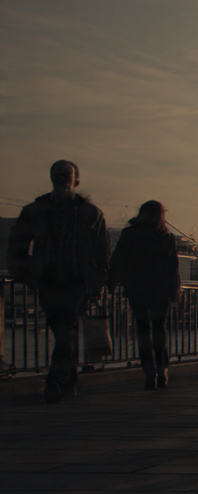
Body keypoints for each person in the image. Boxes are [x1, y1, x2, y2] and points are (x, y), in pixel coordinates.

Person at [6, 160, 109, 403]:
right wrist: (26, 271)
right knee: (64, 329)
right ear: (52, 178)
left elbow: (102, 251)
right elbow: (17, 244)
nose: (62, 178)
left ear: (76, 180)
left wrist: (97, 281)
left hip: (76, 280)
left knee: (65, 329)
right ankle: (70, 381)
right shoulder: (35, 210)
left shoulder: (91, 212)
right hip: (48, 279)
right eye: (57, 174)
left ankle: (54, 380)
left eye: (66, 174)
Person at [107, 200, 181, 389]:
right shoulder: (166, 237)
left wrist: (110, 283)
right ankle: (162, 370)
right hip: (160, 290)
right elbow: (173, 267)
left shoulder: (129, 234)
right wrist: (174, 290)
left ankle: (149, 371)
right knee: (159, 330)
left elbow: (117, 260)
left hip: (137, 288)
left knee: (142, 331)